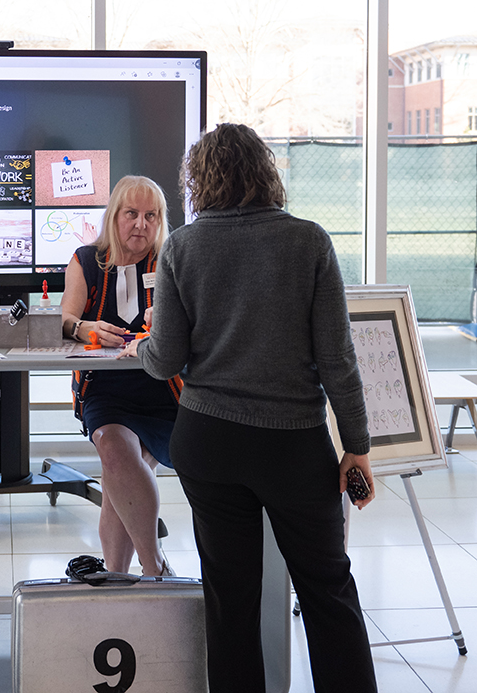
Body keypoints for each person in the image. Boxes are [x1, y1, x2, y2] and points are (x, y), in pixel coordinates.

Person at [123, 123, 377, 693]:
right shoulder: (308, 241)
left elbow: (165, 361)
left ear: (200, 179)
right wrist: (356, 446)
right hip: (294, 445)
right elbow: (338, 359)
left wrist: (141, 347)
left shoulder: (183, 246)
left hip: (208, 441)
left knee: (229, 598)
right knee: (326, 589)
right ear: (265, 173)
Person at [60, 175, 179, 577]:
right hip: (105, 390)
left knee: (120, 476)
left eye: (151, 216)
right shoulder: (85, 261)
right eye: (132, 214)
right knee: (115, 452)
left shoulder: (171, 259)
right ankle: (154, 567)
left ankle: (117, 579)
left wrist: (167, 321)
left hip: (163, 389)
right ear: (114, 216)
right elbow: (65, 320)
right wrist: (84, 329)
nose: (141, 225)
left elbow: (193, 324)